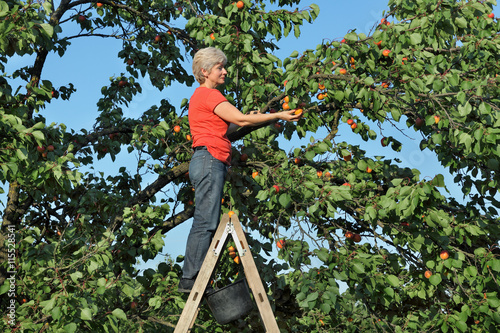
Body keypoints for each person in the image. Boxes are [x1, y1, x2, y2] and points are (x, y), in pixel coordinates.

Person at [177, 47, 301, 293]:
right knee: (206, 221)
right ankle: (191, 280)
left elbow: (228, 127)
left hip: (207, 159)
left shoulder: (199, 97)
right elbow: (242, 121)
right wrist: (277, 115)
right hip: (210, 159)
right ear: (205, 71)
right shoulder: (210, 95)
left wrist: (253, 116)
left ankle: (192, 278)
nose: (224, 71)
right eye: (219, 67)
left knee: (206, 219)